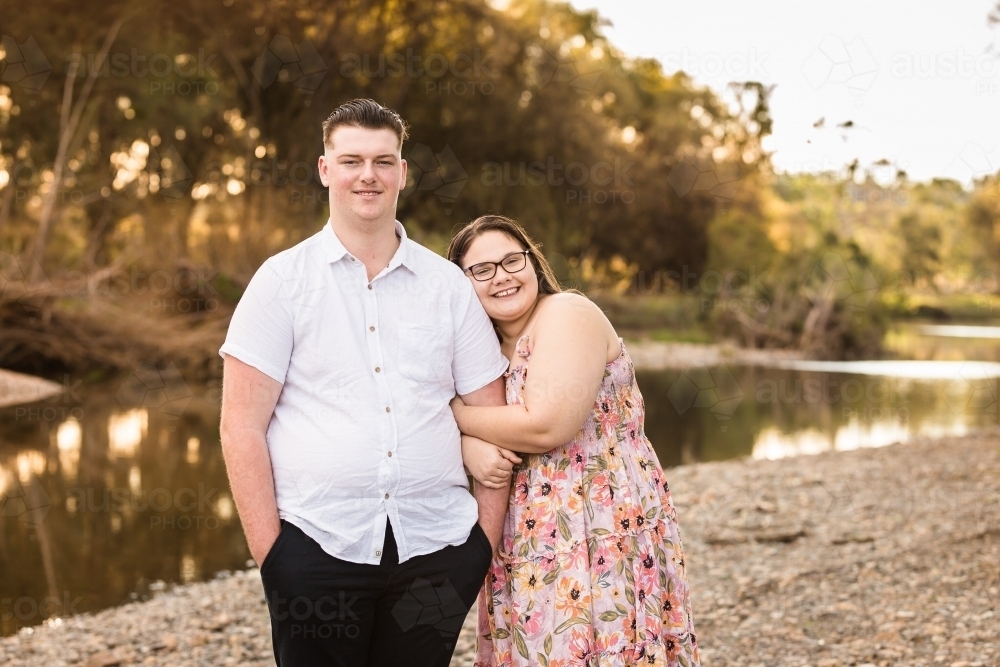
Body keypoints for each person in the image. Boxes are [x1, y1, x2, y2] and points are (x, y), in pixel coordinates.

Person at [218, 99, 514, 667]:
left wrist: (482, 545)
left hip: (439, 550)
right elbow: (240, 426)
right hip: (315, 550)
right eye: (351, 159)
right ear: (326, 169)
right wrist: (273, 555)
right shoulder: (281, 281)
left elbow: (493, 413)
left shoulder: (447, 286)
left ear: (402, 172)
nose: (368, 175)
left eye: (383, 160)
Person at [448, 216, 701, 667]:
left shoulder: (567, 314)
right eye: (482, 270)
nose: (502, 276)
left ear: (533, 262)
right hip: (527, 526)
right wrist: (469, 446)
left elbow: (548, 425)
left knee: (605, 647)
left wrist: (458, 418)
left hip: (602, 516)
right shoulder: (477, 347)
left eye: (511, 260)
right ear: (461, 284)